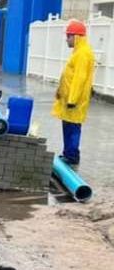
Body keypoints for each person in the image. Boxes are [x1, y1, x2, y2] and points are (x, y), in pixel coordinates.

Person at [53, 19, 95, 165]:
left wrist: (72, 99)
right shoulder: (78, 52)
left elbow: (79, 78)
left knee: (73, 128)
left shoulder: (83, 54)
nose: (67, 39)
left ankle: (72, 156)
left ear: (76, 37)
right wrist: (60, 91)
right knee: (68, 126)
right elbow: (69, 75)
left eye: (69, 36)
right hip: (70, 99)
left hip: (74, 101)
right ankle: (68, 153)